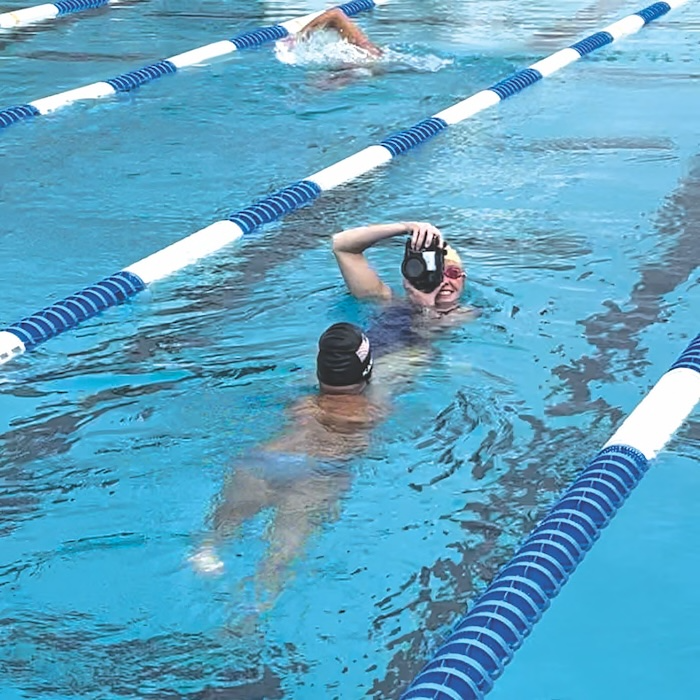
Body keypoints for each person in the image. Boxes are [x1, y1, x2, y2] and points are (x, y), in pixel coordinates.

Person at [189, 323, 387, 613]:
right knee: (280, 556)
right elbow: (369, 447)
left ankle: (208, 548)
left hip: (264, 459)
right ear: (367, 369)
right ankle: (249, 615)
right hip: (318, 468)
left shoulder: (303, 397)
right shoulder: (373, 408)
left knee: (226, 521)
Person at [298, 7, 383, 57]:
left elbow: (335, 14)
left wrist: (298, 37)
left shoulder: (363, 47)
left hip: (364, 61)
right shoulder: (368, 48)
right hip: (368, 63)